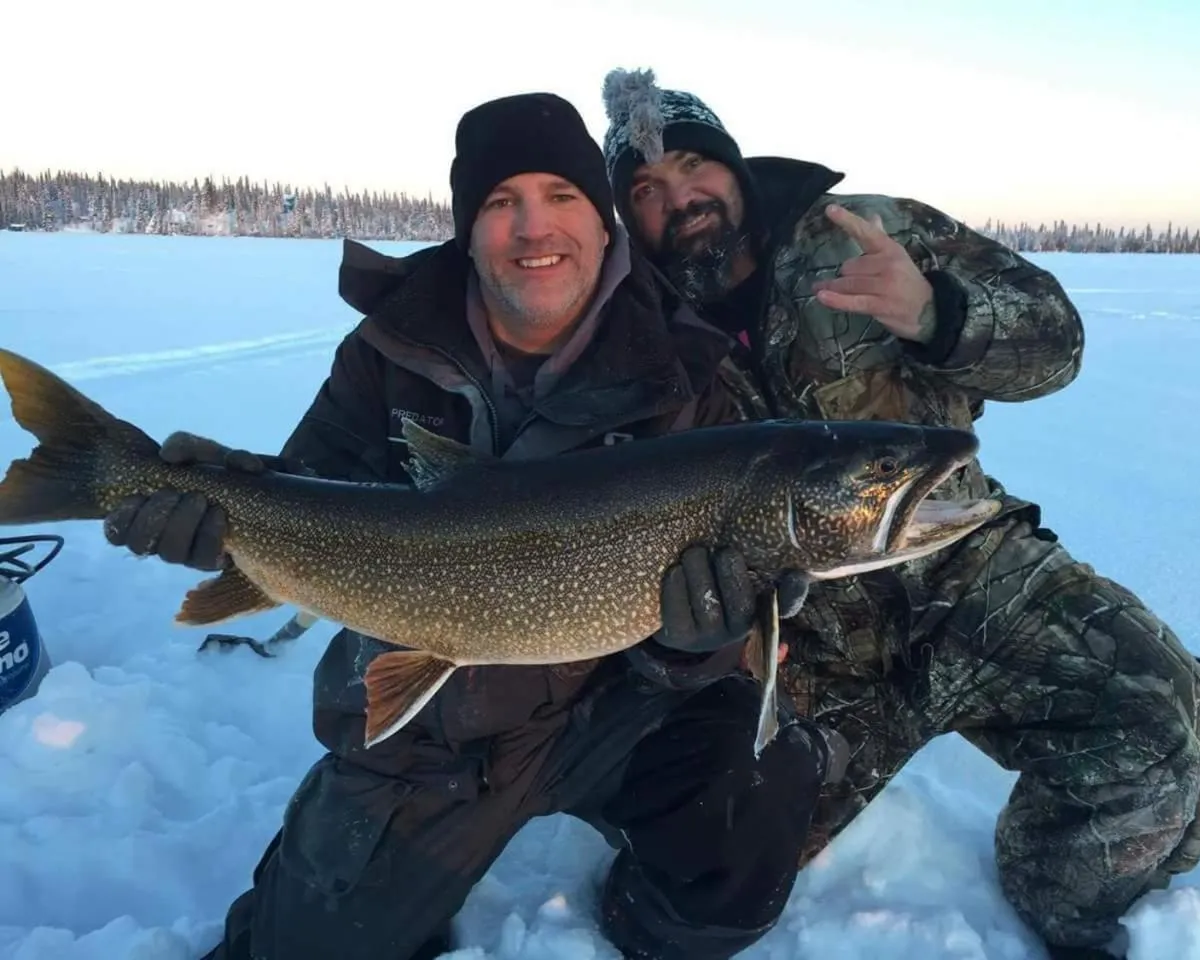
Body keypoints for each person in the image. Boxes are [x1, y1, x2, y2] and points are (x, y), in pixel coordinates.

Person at [102, 92, 846, 960]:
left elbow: (709, 640)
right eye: (502, 204)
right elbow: (317, 491)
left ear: (605, 226)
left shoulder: (685, 374)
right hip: (435, 729)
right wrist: (225, 510)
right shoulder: (391, 349)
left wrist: (695, 644)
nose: (536, 229)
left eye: (564, 198)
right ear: (468, 229)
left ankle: (651, 926)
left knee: (756, 792)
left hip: (618, 705)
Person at [598, 67, 1200, 960]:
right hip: (802, 643)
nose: (681, 197)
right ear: (627, 218)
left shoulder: (864, 232)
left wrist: (939, 316)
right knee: (692, 881)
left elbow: (1057, 344)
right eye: (646, 189)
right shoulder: (630, 334)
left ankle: (1057, 903)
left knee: (1166, 733)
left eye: (693, 166)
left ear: (734, 167)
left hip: (972, 573)